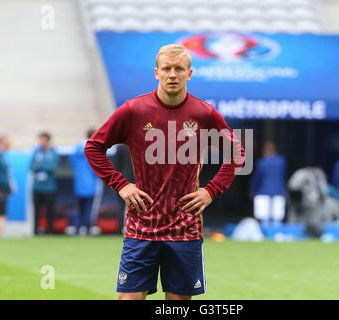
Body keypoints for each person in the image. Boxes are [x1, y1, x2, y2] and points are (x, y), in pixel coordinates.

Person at [84, 44, 245, 300]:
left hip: (185, 227)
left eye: (179, 69)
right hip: (141, 226)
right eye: (167, 69)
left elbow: (238, 153)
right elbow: (93, 147)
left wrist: (211, 190)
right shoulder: (133, 110)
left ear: (189, 74)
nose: (172, 74)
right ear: (156, 72)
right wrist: (122, 185)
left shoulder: (204, 114)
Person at [69, 128, 100, 235]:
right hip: (91, 184)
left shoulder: (77, 148)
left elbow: (71, 163)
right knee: (89, 209)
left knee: (79, 208)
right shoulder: (94, 149)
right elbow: (98, 167)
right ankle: (87, 229)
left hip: (78, 184)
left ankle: (77, 229)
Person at [249, 141, 286, 225]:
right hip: (278, 190)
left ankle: (265, 233)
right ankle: (276, 232)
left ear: (264, 151)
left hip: (263, 190)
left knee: (263, 216)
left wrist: (252, 190)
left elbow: (257, 178)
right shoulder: (282, 161)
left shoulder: (262, 162)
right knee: (277, 216)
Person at [30, 132, 60, 235]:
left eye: (42, 140)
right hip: (37, 187)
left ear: (47, 140)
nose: (40, 142)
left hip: (50, 187)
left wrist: (40, 166)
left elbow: (53, 167)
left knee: (49, 211)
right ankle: (36, 231)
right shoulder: (36, 152)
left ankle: (49, 231)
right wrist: (44, 166)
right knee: (36, 211)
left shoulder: (53, 153)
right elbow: (31, 166)